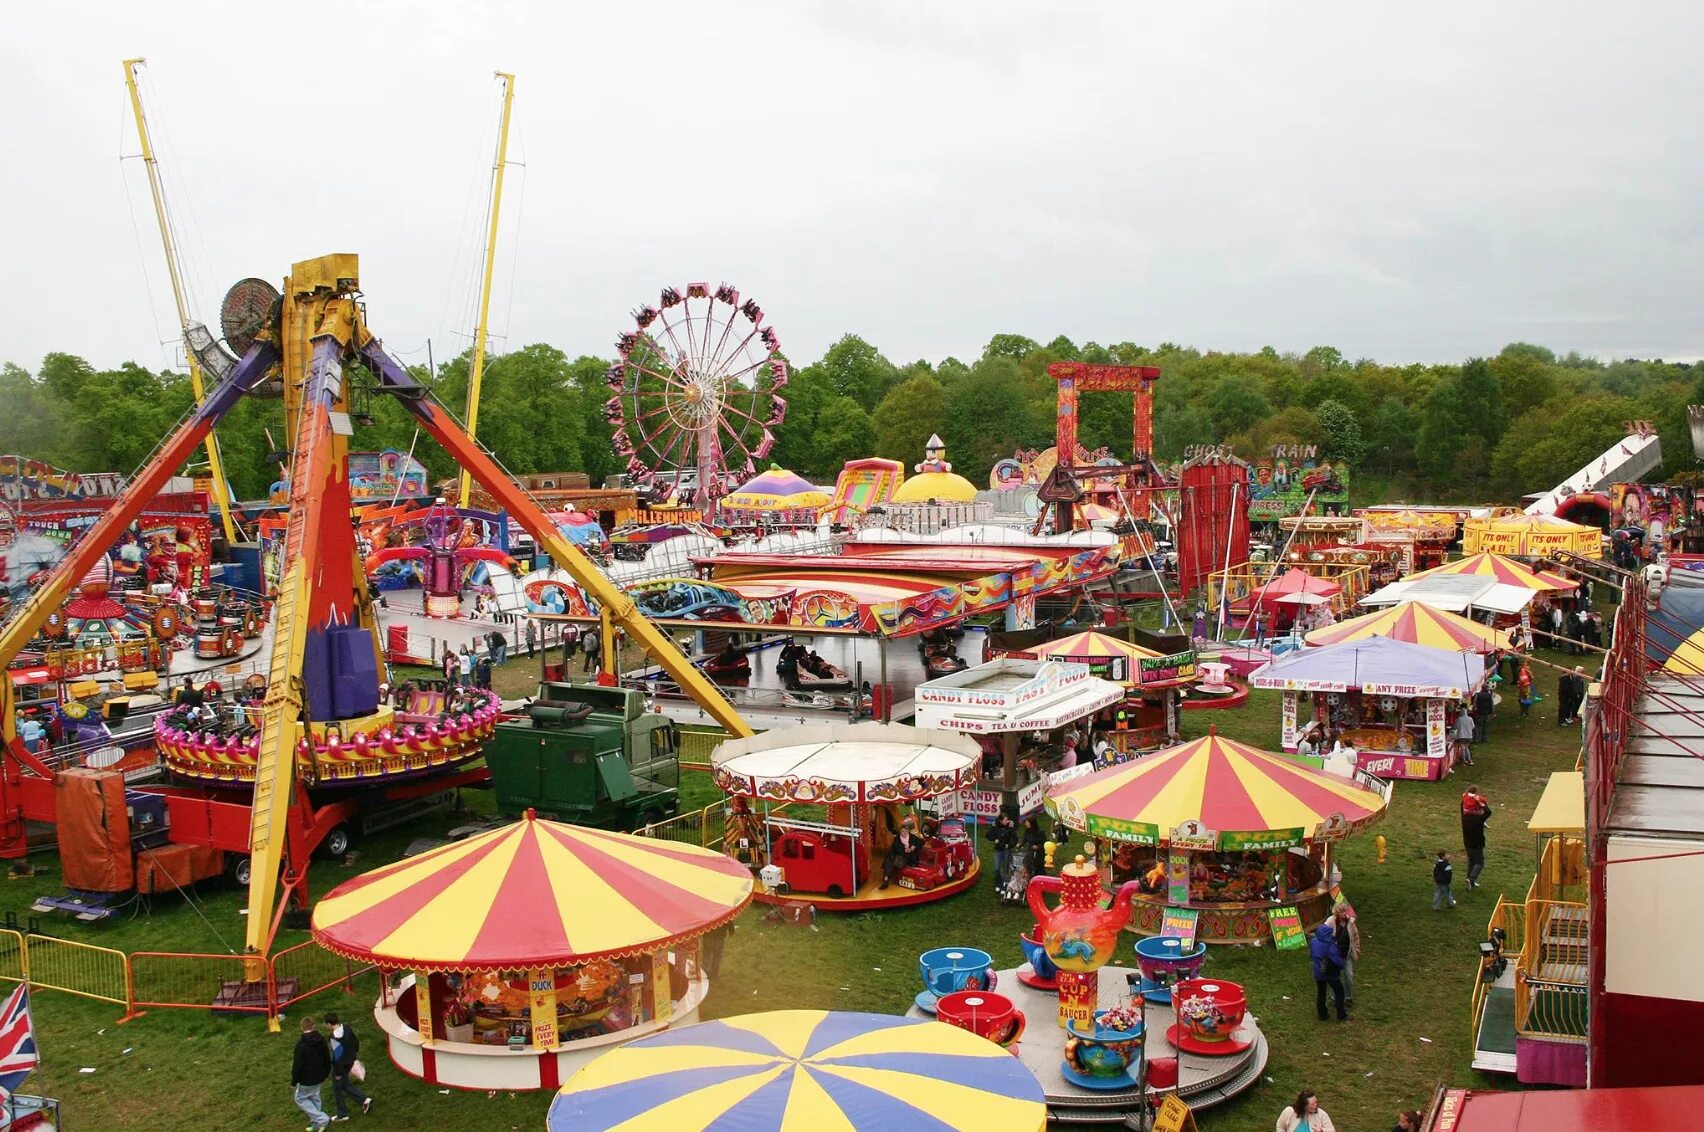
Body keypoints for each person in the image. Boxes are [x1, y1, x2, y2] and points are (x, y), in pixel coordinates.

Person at [323, 1010, 372, 1120]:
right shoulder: (346, 1028)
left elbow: (337, 1057)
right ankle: (364, 1101)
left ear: (329, 1024)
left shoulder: (333, 1038)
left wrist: (338, 1073)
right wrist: (354, 1055)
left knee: (337, 1087)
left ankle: (342, 1114)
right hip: (350, 1060)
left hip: (340, 1066)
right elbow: (356, 1042)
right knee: (344, 1084)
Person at [291, 1014, 333, 1130]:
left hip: (306, 1079)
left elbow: (298, 1064)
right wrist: (326, 1073)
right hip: (319, 1076)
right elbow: (326, 1057)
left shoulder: (301, 1045)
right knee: (315, 1098)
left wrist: (294, 1081)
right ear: (314, 1026)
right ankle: (317, 1124)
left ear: (302, 1027)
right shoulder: (321, 1040)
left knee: (300, 1099)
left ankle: (322, 1119)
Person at [1309, 922, 1348, 1022]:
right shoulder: (1330, 946)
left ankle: (1322, 1015)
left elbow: (1311, 954)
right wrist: (1342, 964)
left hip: (1318, 972)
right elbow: (1337, 960)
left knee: (1321, 993)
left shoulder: (1313, 941)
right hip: (1331, 973)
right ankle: (1341, 1014)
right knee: (1339, 991)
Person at [1461, 786, 1491, 888]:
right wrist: (1480, 803)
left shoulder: (1464, 817)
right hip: (1477, 843)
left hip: (1467, 842)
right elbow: (1488, 812)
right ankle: (1471, 879)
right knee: (1479, 863)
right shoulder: (1479, 819)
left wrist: (1465, 799)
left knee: (1471, 862)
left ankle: (1470, 882)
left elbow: (1462, 805)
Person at [879, 818, 922, 889]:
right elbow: (894, 848)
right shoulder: (897, 839)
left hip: (907, 858)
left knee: (889, 860)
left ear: (908, 831)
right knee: (888, 859)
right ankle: (885, 879)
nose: (904, 833)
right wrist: (904, 849)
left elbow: (921, 842)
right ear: (900, 832)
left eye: (905, 831)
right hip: (898, 856)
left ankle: (886, 879)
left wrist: (913, 847)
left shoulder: (912, 837)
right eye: (902, 832)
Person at [988, 812, 1017, 887]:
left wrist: (1009, 845)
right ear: (1000, 821)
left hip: (1006, 850)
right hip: (998, 850)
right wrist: (994, 839)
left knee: (1005, 868)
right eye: (1004, 820)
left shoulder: (1010, 828)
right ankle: (998, 883)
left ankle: (1005, 884)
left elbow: (1015, 839)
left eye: (1007, 820)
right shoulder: (996, 827)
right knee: (997, 868)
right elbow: (988, 835)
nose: (1006, 821)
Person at [1022, 814, 1046, 879]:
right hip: (1030, 852)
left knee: (1038, 869)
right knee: (1027, 865)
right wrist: (1020, 844)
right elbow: (1025, 838)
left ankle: (1040, 880)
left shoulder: (1040, 832)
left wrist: (1038, 846)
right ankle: (1029, 879)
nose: (1026, 824)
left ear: (1032, 823)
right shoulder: (1028, 830)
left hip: (1038, 854)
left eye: (1027, 822)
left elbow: (1044, 844)